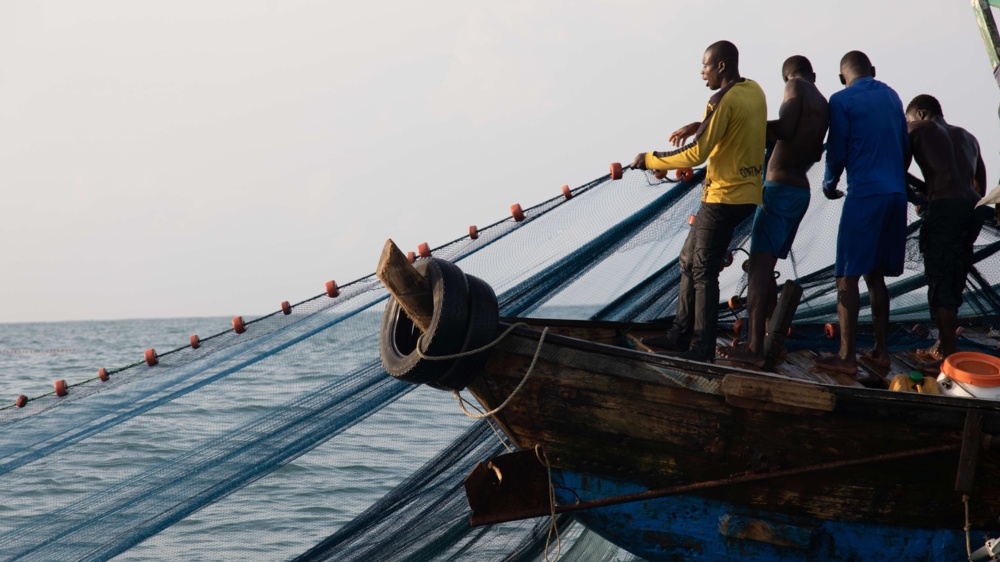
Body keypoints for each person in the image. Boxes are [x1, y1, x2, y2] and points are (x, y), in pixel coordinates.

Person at [631, 40, 767, 362]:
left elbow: (696, 153)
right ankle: (679, 335)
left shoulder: (722, 100)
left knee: (703, 270)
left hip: (724, 197)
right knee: (687, 260)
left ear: (721, 66)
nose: (702, 73)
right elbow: (734, 127)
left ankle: (701, 349)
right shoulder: (754, 90)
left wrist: (649, 159)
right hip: (747, 194)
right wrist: (700, 123)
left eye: (705, 66)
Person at [718, 55, 829, 368]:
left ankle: (754, 349)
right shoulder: (823, 103)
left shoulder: (795, 86)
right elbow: (811, 148)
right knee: (762, 269)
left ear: (787, 77)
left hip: (778, 190)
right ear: (814, 73)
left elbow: (784, 127)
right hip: (798, 191)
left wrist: (742, 127)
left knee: (758, 272)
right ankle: (771, 342)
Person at [813, 51, 909, 376]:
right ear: (873, 70)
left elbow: (837, 149)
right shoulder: (893, 95)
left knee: (847, 276)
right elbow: (905, 148)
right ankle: (881, 353)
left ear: (843, 77)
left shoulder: (841, 100)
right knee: (876, 275)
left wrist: (829, 183)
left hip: (866, 194)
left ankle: (846, 357)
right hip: (897, 195)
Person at [905, 94, 988, 368]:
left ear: (919, 114)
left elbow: (896, 170)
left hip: (945, 209)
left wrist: (923, 196)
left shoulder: (916, 129)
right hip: (972, 210)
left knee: (940, 280)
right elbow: (980, 186)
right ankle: (944, 343)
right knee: (955, 274)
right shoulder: (968, 136)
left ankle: (948, 359)